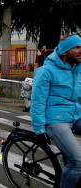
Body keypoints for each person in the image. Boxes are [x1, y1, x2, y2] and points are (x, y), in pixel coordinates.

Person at [31, 34, 81, 188]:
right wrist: (39, 130)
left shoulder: (77, 70)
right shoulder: (46, 71)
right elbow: (37, 101)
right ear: (65, 51)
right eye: (77, 47)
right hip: (55, 120)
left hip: (75, 115)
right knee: (77, 161)